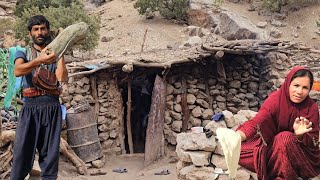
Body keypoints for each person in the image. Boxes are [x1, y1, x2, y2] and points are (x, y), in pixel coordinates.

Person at [10, 15, 68, 180]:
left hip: (51, 108)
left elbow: (61, 78)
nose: (40, 32)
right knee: (22, 157)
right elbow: (18, 70)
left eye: (43, 28)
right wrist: (39, 60)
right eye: (36, 29)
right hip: (30, 109)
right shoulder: (23, 51)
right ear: (30, 33)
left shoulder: (55, 54)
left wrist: (61, 53)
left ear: (48, 30)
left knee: (50, 159)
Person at [236, 66, 320, 179]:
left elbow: (313, 142)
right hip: (275, 149)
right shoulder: (275, 99)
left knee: (285, 138)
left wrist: (299, 136)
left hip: (301, 155)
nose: (299, 92)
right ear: (288, 83)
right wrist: (237, 136)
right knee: (240, 150)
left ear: (309, 89)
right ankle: (279, 169)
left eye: (305, 87)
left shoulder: (311, 108)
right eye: (296, 85)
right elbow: (259, 120)